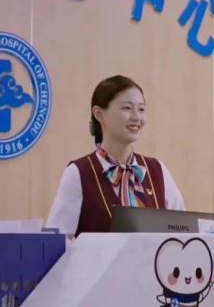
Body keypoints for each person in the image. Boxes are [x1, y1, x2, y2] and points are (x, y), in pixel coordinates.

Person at [46, 75, 185, 237]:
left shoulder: (157, 169)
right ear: (99, 114)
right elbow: (57, 240)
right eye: (126, 108)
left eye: (141, 109)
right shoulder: (79, 172)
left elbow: (182, 231)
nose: (136, 117)